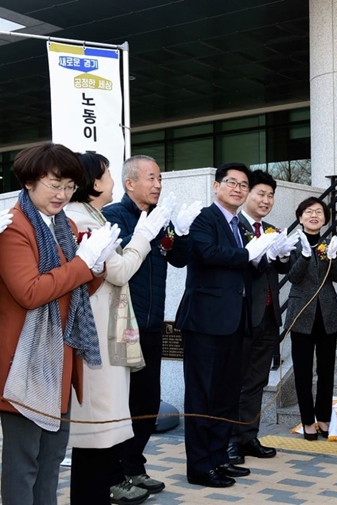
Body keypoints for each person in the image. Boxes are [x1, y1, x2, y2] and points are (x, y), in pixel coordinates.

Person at [0, 143, 119, 505]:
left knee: (52, 459)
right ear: (30, 181)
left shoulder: (64, 223)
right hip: (24, 362)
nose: (63, 194)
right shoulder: (13, 227)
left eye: (69, 185)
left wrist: (95, 264)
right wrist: (82, 264)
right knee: (24, 464)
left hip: (60, 358)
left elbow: (76, 286)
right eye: (54, 184)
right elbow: (30, 292)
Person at [65, 153, 169, 505]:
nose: (110, 180)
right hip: (98, 334)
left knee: (112, 423)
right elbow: (119, 271)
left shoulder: (91, 215)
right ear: (95, 183)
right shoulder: (84, 219)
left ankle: (107, 485)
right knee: (98, 432)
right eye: (107, 174)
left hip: (115, 331)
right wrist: (142, 236)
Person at [175, 162, 281, 488]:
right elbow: (207, 253)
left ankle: (220, 458)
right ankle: (199, 466)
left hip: (235, 322)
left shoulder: (239, 225)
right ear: (216, 186)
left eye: (242, 185)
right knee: (201, 396)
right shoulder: (204, 219)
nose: (237, 189)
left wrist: (268, 255)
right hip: (205, 322)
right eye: (231, 183)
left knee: (225, 396)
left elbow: (245, 267)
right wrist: (248, 254)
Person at [103, 155, 201, 495]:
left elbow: (178, 258)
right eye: (151, 178)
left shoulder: (160, 218)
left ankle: (134, 466)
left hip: (152, 324)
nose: (158, 185)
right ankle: (115, 476)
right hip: (122, 326)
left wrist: (182, 230)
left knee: (147, 402)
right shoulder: (114, 216)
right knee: (121, 405)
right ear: (130, 183)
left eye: (160, 179)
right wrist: (147, 231)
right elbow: (119, 263)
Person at [228, 169, 298, 465]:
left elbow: (283, 269)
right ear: (246, 195)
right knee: (236, 381)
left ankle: (248, 436)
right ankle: (230, 440)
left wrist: (282, 255)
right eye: (261, 193)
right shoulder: (234, 227)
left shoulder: (271, 229)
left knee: (257, 381)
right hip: (242, 316)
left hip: (269, 316)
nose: (266, 200)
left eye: (270, 195)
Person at [285, 197, 337, 440]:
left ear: (325, 219)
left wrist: (331, 257)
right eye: (308, 212)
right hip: (302, 314)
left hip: (327, 314)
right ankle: (308, 421)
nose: (314, 215)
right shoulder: (293, 243)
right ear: (300, 218)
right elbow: (293, 277)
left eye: (319, 212)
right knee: (302, 371)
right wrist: (306, 257)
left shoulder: (331, 243)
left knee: (326, 370)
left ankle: (324, 419)